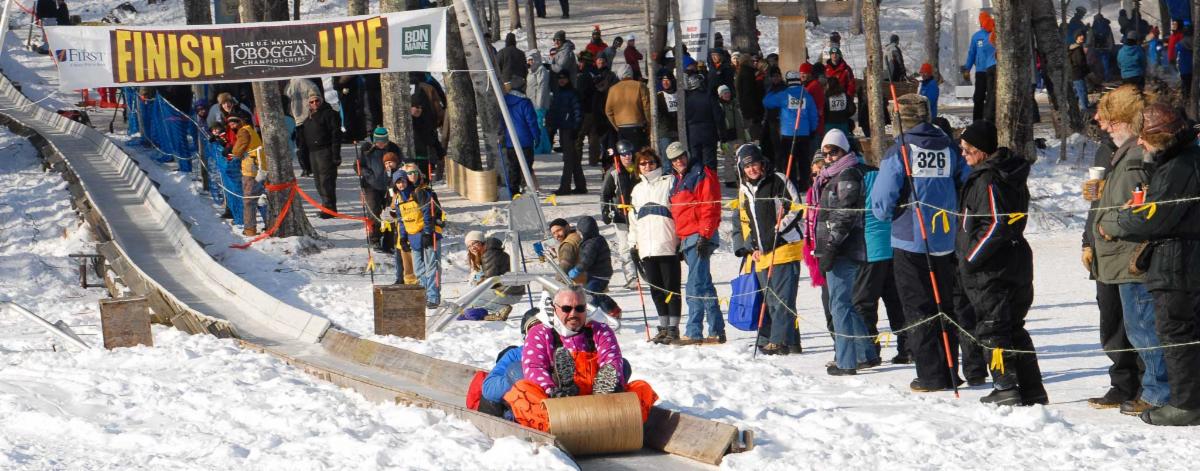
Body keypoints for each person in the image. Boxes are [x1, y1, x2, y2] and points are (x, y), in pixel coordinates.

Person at [870, 94, 974, 392]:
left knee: (918, 308)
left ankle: (930, 375)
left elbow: (882, 200)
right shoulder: (949, 148)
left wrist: (888, 214)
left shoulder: (901, 150)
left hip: (910, 240)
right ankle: (950, 369)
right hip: (945, 239)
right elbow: (965, 181)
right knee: (945, 305)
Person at [1113, 104, 1200, 426]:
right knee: (1182, 330)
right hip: (1180, 259)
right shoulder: (1178, 161)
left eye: (1144, 137)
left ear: (1160, 137)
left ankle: (1186, 403)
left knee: (1176, 331)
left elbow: (1155, 219)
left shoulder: (1181, 165)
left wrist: (1124, 217)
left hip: (1179, 262)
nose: (1139, 143)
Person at [954, 120, 1048, 406]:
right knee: (1011, 327)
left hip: (993, 267)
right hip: (1010, 261)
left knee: (993, 327)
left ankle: (1005, 386)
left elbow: (996, 224)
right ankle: (1031, 388)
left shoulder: (990, 179)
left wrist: (971, 258)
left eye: (968, 149)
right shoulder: (999, 174)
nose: (963, 154)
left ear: (982, 150)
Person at [1089, 85, 1169, 416]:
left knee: (1143, 330)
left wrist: (1108, 225)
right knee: (1131, 329)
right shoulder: (1120, 153)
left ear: (1125, 120)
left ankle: (1156, 393)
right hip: (1118, 258)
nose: (1103, 124)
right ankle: (1146, 389)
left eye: (1109, 119)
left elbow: (1138, 208)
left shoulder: (1136, 157)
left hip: (1131, 258)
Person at [503, 287, 658, 433]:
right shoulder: (540, 332)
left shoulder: (600, 330)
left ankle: (608, 406)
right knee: (522, 392)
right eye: (566, 308)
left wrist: (613, 385)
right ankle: (560, 409)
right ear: (555, 309)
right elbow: (534, 367)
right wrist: (551, 391)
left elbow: (612, 358)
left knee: (642, 388)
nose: (573, 313)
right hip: (559, 406)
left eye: (579, 308)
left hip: (598, 401)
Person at [1081, 129, 1144, 410]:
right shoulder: (1105, 150)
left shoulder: (1141, 150)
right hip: (1101, 247)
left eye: (1108, 118)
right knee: (1111, 319)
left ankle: (1145, 385)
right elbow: (1097, 205)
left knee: (1138, 322)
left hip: (1128, 249)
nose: (1100, 123)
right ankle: (1122, 383)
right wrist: (1087, 241)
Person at [812, 130, 880, 375]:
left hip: (844, 249)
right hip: (838, 247)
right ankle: (866, 353)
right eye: (826, 153)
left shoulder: (847, 174)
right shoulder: (833, 175)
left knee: (838, 305)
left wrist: (831, 246)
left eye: (834, 152)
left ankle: (846, 362)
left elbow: (845, 214)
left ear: (845, 151)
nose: (829, 157)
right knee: (845, 303)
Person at [734, 144, 804, 355]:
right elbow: (748, 221)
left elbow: (797, 208)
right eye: (747, 167)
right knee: (771, 300)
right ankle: (792, 342)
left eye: (754, 164)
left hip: (784, 248)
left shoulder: (778, 180)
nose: (752, 169)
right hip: (763, 253)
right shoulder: (745, 189)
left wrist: (778, 229)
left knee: (782, 300)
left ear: (762, 163)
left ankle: (779, 341)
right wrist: (752, 246)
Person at [664, 142, 724, 344]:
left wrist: (704, 235)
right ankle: (717, 330)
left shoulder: (701, 174)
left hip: (699, 235)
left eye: (681, 156)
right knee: (704, 284)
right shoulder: (677, 180)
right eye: (674, 159)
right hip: (687, 237)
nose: (679, 161)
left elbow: (710, 206)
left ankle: (694, 331)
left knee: (694, 285)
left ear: (687, 155)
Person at [854, 151, 907, 364]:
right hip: (893, 244)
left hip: (869, 247)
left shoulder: (852, 177)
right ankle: (908, 348)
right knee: (896, 300)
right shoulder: (880, 174)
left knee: (863, 303)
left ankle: (869, 352)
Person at [628, 148, 683, 344]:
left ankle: (673, 327)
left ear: (657, 163)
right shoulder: (637, 190)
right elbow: (633, 220)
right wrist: (633, 244)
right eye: (643, 163)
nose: (647, 166)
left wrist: (680, 240)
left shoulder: (669, 182)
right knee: (656, 289)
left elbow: (679, 211)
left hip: (667, 243)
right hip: (646, 247)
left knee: (671, 288)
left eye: (651, 162)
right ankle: (663, 326)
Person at [762, 70, 820, 191]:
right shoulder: (806, 95)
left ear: (787, 81)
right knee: (804, 160)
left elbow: (766, 102)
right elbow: (813, 114)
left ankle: (791, 185)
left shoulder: (783, 95)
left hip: (788, 134)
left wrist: (772, 90)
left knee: (789, 160)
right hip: (804, 133)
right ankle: (804, 184)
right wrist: (813, 129)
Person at [394, 164, 443, 308]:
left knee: (431, 267)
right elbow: (401, 220)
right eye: (398, 182)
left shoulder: (419, 192)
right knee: (418, 269)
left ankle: (433, 297)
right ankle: (424, 294)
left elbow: (428, 212)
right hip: (413, 236)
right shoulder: (399, 198)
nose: (402, 184)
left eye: (403, 180)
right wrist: (403, 238)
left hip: (427, 234)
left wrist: (428, 232)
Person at [600, 141, 640, 288]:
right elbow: (605, 194)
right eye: (624, 155)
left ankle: (647, 273)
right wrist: (605, 211)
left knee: (641, 245)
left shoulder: (639, 169)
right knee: (625, 247)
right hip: (621, 216)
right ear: (618, 156)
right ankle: (631, 277)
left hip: (639, 216)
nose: (627, 157)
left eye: (629, 154)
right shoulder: (614, 173)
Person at [500, 76, 540, 196]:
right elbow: (532, 122)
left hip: (511, 141)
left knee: (513, 167)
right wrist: (537, 136)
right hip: (525, 141)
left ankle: (513, 191)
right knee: (527, 167)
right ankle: (529, 189)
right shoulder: (525, 103)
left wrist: (502, 134)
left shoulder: (504, 101)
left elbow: (502, 122)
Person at [547, 71, 585, 195]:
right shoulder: (558, 93)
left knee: (568, 159)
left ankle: (565, 186)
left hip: (570, 128)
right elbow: (555, 111)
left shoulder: (572, 93)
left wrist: (576, 128)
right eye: (559, 78)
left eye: (564, 78)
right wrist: (551, 124)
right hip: (563, 128)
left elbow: (578, 111)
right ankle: (581, 185)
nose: (561, 80)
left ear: (568, 79)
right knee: (573, 158)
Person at [227, 115, 264, 236]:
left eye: (234, 122)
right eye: (230, 123)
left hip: (250, 168)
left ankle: (249, 229)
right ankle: (269, 224)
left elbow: (237, 151)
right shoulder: (250, 130)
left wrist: (231, 149)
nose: (232, 125)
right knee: (261, 199)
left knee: (249, 200)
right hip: (259, 166)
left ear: (241, 121)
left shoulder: (243, 131)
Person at [571, 216, 616, 314]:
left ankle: (599, 311)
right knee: (597, 293)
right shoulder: (597, 239)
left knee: (591, 294)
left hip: (599, 274)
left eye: (580, 232)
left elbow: (586, 260)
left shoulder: (591, 244)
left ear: (585, 232)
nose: (579, 235)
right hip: (600, 273)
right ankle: (612, 309)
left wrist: (577, 269)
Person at [605, 65, 652, 152]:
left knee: (625, 154)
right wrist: (649, 123)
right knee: (639, 153)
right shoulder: (640, 85)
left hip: (622, 128)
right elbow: (647, 106)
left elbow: (608, 110)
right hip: (638, 125)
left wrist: (616, 125)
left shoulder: (613, 89)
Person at [684, 74, 724, 171]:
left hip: (693, 134)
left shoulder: (686, 100)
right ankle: (710, 179)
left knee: (696, 162)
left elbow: (684, 119)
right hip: (708, 133)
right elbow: (718, 116)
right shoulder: (709, 97)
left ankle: (698, 179)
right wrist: (722, 134)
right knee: (710, 163)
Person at [962, 11, 998, 122]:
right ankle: (985, 120)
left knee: (982, 97)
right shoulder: (984, 35)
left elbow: (971, 54)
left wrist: (967, 69)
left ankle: (980, 121)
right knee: (988, 97)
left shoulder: (985, 35)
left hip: (985, 71)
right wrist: (967, 68)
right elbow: (972, 53)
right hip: (989, 70)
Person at [284, 78, 321, 178]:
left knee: (301, 146)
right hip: (310, 119)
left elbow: (287, 102)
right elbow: (317, 101)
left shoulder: (289, 86)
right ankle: (315, 166)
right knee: (313, 144)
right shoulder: (310, 84)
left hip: (297, 120)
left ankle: (306, 168)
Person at [717, 84, 748, 187]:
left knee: (741, 156)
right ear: (720, 95)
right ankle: (729, 180)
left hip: (739, 134)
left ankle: (742, 176)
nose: (727, 95)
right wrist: (722, 139)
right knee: (729, 159)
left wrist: (745, 132)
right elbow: (719, 124)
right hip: (727, 137)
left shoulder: (735, 104)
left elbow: (741, 118)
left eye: (728, 93)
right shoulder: (719, 107)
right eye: (725, 93)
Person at [527, 51, 553, 156]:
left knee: (538, 125)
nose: (530, 62)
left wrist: (539, 104)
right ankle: (546, 147)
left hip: (539, 104)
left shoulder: (541, 70)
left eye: (532, 59)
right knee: (539, 125)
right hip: (531, 102)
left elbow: (542, 87)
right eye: (529, 60)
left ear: (537, 59)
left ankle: (539, 148)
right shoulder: (531, 71)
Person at [548, 218, 583, 283]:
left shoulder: (567, 244)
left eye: (558, 230)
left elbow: (563, 270)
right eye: (554, 233)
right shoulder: (576, 235)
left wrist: (555, 285)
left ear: (567, 227)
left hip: (579, 284)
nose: (556, 235)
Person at [655, 73, 680, 159]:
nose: (665, 83)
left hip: (678, 130)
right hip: (665, 131)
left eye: (667, 80)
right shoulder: (659, 96)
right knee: (666, 158)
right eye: (663, 80)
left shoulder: (679, 94)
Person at [823, 72, 856, 137]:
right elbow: (852, 109)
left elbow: (823, 110)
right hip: (843, 124)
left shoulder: (826, 97)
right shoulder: (845, 95)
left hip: (829, 124)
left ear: (828, 85)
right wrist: (846, 115)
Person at [799, 63, 826, 137]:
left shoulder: (813, 86)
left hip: (814, 127)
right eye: (800, 73)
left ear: (810, 74)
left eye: (804, 73)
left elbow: (817, 108)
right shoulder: (806, 85)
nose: (802, 76)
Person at [1068, 32, 1091, 111]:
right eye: (1080, 36)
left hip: (1074, 73)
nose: (1082, 37)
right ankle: (1084, 109)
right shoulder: (1077, 49)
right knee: (1082, 91)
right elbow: (1079, 61)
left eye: (1083, 35)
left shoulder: (1073, 48)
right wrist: (1087, 68)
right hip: (1078, 73)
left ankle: (1074, 108)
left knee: (1077, 91)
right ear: (1076, 37)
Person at [1092, 12, 1117, 81]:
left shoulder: (1094, 26)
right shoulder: (1106, 25)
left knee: (1098, 63)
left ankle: (1100, 77)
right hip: (1106, 47)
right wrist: (1111, 46)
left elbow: (1092, 37)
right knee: (1106, 63)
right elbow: (1110, 37)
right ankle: (1107, 77)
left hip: (1097, 47)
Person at [1177, 32, 1194, 102]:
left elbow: (1177, 54)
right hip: (1192, 68)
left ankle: (1185, 99)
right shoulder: (1194, 43)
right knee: (1190, 85)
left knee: (1184, 85)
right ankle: (1189, 99)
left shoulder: (1180, 44)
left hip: (1183, 68)